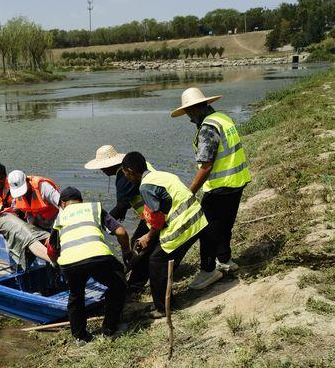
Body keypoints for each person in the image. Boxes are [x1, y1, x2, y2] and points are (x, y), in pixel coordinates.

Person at [121, 152, 218, 316]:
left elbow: (158, 218)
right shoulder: (161, 175)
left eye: (125, 174)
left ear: (130, 171)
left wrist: (148, 236)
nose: (127, 178)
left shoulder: (145, 187)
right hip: (198, 218)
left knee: (156, 261)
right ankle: (166, 297)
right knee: (160, 256)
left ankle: (163, 308)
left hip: (185, 225)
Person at [171, 87, 251, 274]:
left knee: (206, 230)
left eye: (189, 112)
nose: (189, 117)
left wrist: (189, 193)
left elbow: (206, 166)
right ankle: (225, 260)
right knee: (224, 225)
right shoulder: (223, 118)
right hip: (237, 181)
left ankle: (207, 272)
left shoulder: (208, 127)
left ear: (196, 108)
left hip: (220, 186)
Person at [47, 187, 131, 343]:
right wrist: (126, 251)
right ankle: (109, 330)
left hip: (69, 263)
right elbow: (120, 232)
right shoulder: (94, 208)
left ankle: (80, 337)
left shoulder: (59, 218)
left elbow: (51, 249)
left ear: (63, 204)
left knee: (76, 296)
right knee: (118, 284)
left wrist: (55, 265)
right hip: (98, 257)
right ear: (81, 201)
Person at [84, 145, 153, 291]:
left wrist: (102, 224)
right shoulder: (131, 167)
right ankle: (136, 276)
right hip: (152, 213)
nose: (102, 170)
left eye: (103, 167)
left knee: (137, 246)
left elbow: (121, 206)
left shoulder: (124, 174)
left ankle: (135, 284)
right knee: (140, 245)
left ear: (112, 164)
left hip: (155, 214)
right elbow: (127, 201)